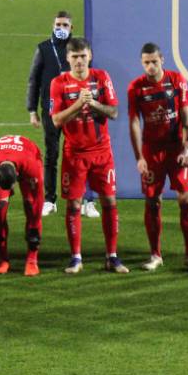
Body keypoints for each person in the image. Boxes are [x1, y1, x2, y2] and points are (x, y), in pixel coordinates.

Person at [50, 37, 127, 274]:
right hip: (74, 154)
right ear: (67, 58)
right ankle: (76, 258)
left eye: (83, 56)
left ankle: (112, 257)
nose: (79, 61)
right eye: (74, 57)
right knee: (73, 204)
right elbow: (55, 120)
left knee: (109, 201)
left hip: (102, 152)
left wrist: (92, 103)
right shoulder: (59, 83)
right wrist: (77, 105)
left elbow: (113, 112)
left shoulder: (102, 78)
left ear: (90, 56)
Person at [127, 43, 188, 273]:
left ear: (162, 59)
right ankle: (155, 255)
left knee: (187, 199)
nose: (150, 67)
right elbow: (133, 122)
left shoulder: (176, 80)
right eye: (146, 63)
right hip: (152, 151)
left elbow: (185, 116)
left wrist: (186, 149)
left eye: (154, 61)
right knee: (153, 201)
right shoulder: (136, 88)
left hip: (176, 149)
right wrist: (139, 157)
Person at [26, 11, 99, 218]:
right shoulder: (43, 48)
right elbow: (34, 80)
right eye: (58, 24)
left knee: (82, 154)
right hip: (51, 111)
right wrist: (32, 110)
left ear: (71, 28)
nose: (61, 28)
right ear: (53, 24)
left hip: (76, 111)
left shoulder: (78, 49)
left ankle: (88, 200)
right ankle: (50, 200)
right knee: (51, 155)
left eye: (65, 25)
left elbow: (90, 77)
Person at [0, 134, 44, 277]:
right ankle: (3, 260)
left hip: (29, 152)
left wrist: (34, 228)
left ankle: (32, 260)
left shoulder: (31, 166)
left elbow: (38, 197)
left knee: (30, 204)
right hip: (2, 156)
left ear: (17, 175)